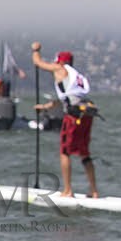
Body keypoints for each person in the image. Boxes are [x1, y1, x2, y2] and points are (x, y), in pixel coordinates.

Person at [31, 43, 98, 198]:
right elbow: (65, 99)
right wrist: (45, 107)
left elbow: (38, 63)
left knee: (64, 152)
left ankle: (67, 191)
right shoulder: (77, 76)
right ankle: (93, 191)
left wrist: (36, 50)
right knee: (84, 153)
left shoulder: (60, 69)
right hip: (86, 114)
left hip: (74, 117)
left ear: (60, 62)